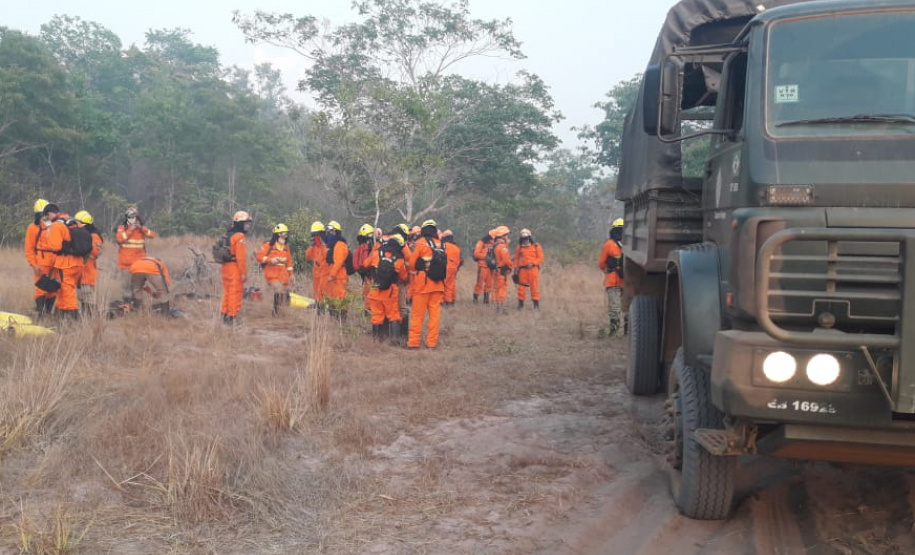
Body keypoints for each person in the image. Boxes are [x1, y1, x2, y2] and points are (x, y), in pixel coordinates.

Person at [37, 205, 84, 320]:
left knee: (67, 291)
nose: (47, 219)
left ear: (50, 214)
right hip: (78, 262)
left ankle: (73, 319)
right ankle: (59, 318)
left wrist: (45, 245)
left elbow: (56, 246)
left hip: (66, 263)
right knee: (63, 291)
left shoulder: (57, 225)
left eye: (47, 216)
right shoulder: (71, 221)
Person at [408, 220, 446, 349]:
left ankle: (413, 343)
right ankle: (431, 343)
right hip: (438, 285)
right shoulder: (440, 244)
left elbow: (412, 263)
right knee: (434, 315)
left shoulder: (421, 243)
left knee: (418, 315)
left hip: (423, 285)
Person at [367, 233, 409, 344]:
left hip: (375, 289)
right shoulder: (399, 259)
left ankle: (376, 341)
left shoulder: (376, 253)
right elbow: (404, 276)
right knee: (393, 315)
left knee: (376, 315)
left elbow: (365, 264)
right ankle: (394, 341)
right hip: (390, 292)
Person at [25, 199, 57, 317]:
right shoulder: (33, 228)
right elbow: (29, 249)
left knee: (53, 288)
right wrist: (34, 264)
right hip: (41, 261)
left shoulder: (56, 225)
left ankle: (48, 313)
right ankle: (40, 313)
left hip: (56, 260)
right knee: (41, 288)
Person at [219, 211, 252, 325]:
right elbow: (241, 257)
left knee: (227, 292)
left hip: (225, 268)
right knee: (235, 292)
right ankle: (232, 317)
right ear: (240, 223)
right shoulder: (239, 236)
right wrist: (244, 273)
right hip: (234, 268)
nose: (248, 225)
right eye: (246, 223)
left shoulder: (228, 235)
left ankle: (224, 314)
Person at [115, 206, 156, 296]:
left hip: (139, 264)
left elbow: (152, 235)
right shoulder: (122, 227)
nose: (132, 219)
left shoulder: (141, 228)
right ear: (126, 217)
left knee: (138, 286)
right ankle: (127, 303)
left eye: (134, 217)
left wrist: (142, 228)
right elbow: (119, 239)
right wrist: (130, 230)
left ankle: (138, 303)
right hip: (125, 264)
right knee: (126, 286)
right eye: (130, 217)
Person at [257, 223, 295, 316]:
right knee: (278, 289)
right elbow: (259, 257)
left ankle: (277, 311)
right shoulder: (268, 245)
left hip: (283, 274)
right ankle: (275, 313)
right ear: (277, 234)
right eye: (283, 233)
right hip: (271, 273)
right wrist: (270, 260)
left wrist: (291, 274)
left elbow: (289, 262)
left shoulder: (286, 247)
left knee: (282, 292)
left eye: (286, 234)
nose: (285, 236)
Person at [599, 218, 626, 338]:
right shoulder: (631, 244)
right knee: (626, 305)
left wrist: (607, 269)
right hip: (627, 281)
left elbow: (601, 263)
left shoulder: (609, 244)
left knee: (615, 306)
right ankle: (627, 331)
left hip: (613, 280)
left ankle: (614, 331)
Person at [74, 210, 104, 316]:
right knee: (81, 295)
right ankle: (84, 316)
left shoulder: (94, 236)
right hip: (81, 272)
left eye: (77, 222)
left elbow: (95, 252)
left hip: (88, 272)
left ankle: (90, 317)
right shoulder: (86, 234)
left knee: (88, 296)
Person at [324, 220, 350, 319]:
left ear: (337, 232)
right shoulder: (331, 246)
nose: (330, 234)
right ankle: (333, 321)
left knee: (340, 299)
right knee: (331, 299)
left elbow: (338, 262)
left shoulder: (340, 245)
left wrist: (331, 275)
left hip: (338, 277)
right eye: (329, 231)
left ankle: (341, 322)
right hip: (333, 278)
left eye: (332, 231)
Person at [513, 228, 544, 310]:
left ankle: (536, 305)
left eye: (526, 238)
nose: (525, 240)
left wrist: (533, 263)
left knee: (534, 287)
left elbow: (540, 258)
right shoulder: (519, 247)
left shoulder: (536, 246)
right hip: (522, 270)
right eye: (523, 239)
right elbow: (516, 258)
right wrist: (515, 269)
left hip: (533, 269)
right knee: (521, 288)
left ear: (529, 238)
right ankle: (520, 305)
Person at [390, 223, 412, 331]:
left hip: (384, 281)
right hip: (399, 281)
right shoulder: (403, 247)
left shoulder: (384, 243)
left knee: (387, 307)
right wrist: (406, 278)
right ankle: (402, 334)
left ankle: (384, 335)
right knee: (402, 308)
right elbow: (410, 262)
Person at [353, 223, 375, 312]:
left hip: (370, 275)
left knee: (369, 294)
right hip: (367, 275)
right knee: (367, 294)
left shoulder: (372, 247)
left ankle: (369, 311)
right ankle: (368, 311)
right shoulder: (363, 248)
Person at [305, 221, 328, 308]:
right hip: (316, 273)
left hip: (324, 273)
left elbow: (327, 256)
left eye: (317, 235)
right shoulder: (314, 246)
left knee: (322, 292)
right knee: (316, 291)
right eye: (314, 235)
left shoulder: (326, 245)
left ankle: (321, 308)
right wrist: (311, 246)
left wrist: (322, 245)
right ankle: (318, 309)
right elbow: (307, 256)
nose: (316, 237)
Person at [491, 226, 512, 314]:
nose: (507, 237)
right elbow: (506, 260)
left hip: (497, 270)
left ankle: (498, 308)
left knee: (497, 289)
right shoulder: (502, 247)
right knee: (502, 289)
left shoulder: (496, 246)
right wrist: (510, 266)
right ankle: (501, 308)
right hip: (501, 271)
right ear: (502, 236)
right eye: (506, 235)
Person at [440, 230, 462, 306]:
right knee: (450, 285)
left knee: (442, 285)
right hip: (454, 268)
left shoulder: (443, 245)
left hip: (445, 266)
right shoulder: (456, 248)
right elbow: (460, 260)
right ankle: (449, 301)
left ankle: (442, 301)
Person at [472, 233, 494, 304]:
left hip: (491, 267)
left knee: (489, 284)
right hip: (483, 266)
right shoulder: (481, 242)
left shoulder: (494, 244)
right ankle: (475, 298)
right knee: (480, 283)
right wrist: (485, 257)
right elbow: (476, 253)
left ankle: (486, 300)